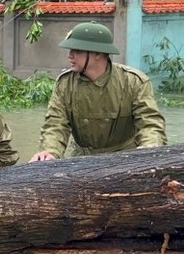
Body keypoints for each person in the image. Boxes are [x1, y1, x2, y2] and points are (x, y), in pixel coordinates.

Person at [30, 22, 167, 161]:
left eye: (77, 50)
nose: (70, 56)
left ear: (97, 53)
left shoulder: (133, 82)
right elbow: (55, 124)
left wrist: (150, 147)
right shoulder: (65, 84)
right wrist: (50, 151)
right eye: (70, 50)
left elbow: (149, 122)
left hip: (125, 158)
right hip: (81, 159)